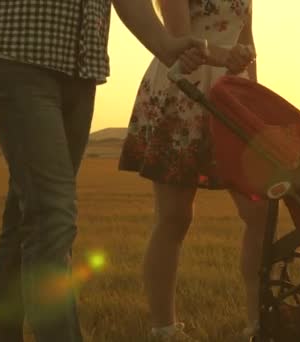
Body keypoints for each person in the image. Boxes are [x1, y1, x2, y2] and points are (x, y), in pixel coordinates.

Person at [0, 1, 205, 341]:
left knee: (26, 221)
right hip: (15, 56)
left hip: (80, 71)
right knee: (53, 218)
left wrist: (166, 45)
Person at [118, 0, 263, 341]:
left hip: (233, 96)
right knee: (174, 216)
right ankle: (164, 328)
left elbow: (249, 43)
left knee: (259, 210)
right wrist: (227, 56)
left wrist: (254, 97)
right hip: (183, 89)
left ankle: (259, 322)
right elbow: (180, 41)